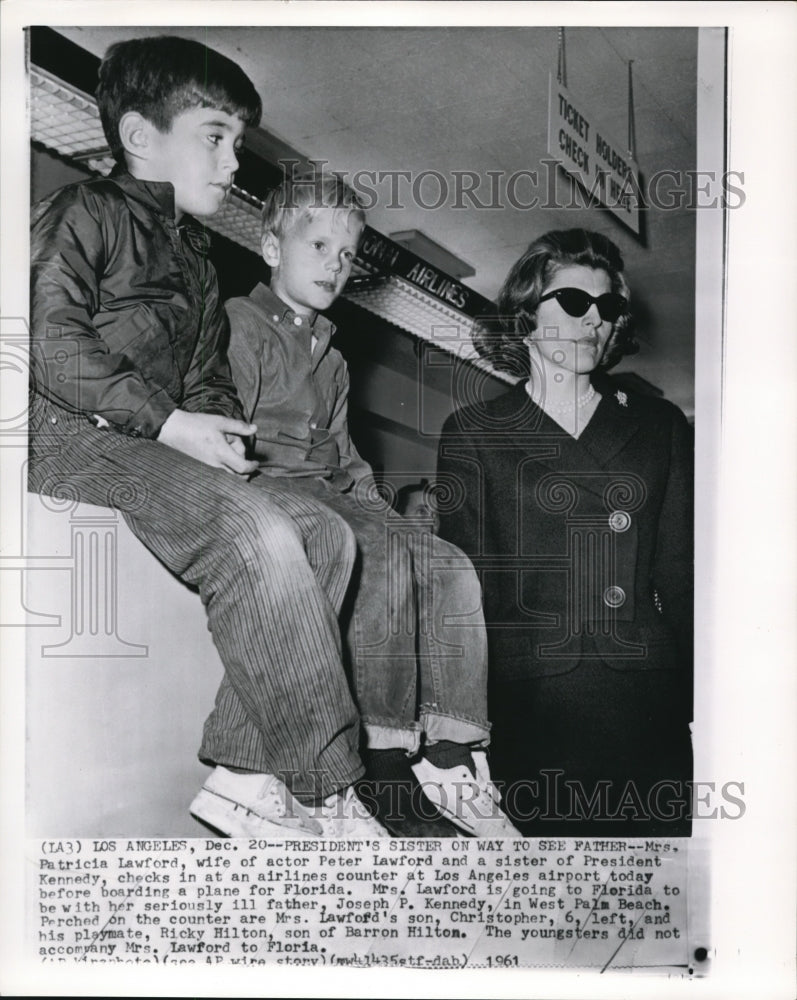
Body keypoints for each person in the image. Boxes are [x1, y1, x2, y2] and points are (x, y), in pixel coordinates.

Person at [28, 35, 386, 839]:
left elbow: (202, 381)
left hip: (147, 447)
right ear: (138, 137)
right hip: (67, 438)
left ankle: (246, 773)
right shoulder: (84, 211)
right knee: (255, 529)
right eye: (214, 137)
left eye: (237, 143)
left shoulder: (194, 258)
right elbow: (42, 342)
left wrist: (219, 428)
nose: (233, 163)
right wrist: (166, 420)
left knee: (324, 531)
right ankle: (328, 788)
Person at [224, 170, 520, 837]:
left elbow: (345, 457)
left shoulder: (330, 357)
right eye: (319, 244)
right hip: (270, 490)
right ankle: (384, 748)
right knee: (380, 550)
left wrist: (385, 512)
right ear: (272, 247)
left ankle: (450, 751)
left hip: (329, 491)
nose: (336, 264)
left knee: (446, 562)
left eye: (348, 254)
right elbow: (225, 433)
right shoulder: (239, 325)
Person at [436, 229, 693, 836]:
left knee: (654, 907)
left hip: (642, 697)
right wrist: (460, 724)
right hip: (534, 699)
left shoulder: (659, 424)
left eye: (607, 308)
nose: (593, 321)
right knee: (554, 917)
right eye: (574, 303)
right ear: (526, 315)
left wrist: (703, 702)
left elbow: (680, 573)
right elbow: (472, 593)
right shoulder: (475, 431)